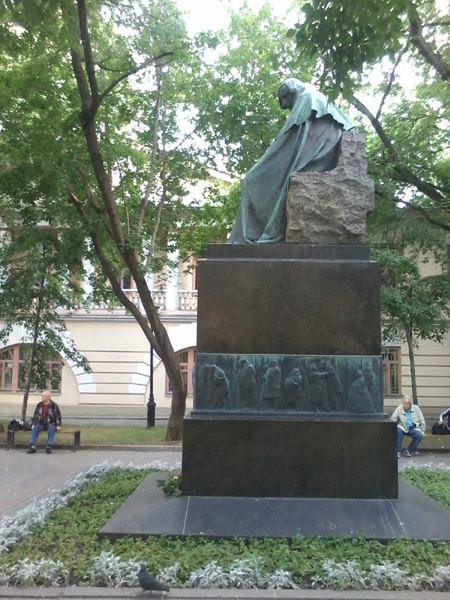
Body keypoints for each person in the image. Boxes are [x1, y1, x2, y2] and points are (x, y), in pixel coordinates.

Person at [227, 77, 354, 244]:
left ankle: (250, 234)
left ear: (292, 90)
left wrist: (258, 170)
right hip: (320, 158)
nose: (287, 105)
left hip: (313, 158)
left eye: (286, 99)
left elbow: (284, 144)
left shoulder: (306, 98)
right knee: (254, 178)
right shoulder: (315, 99)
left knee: (251, 179)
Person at [27, 390, 62, 454]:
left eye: (44, 396)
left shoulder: (54, 405)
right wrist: (33, 424)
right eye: (42, 396)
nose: (42, 397)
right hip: (41, 423)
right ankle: (32, 446)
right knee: (35, 429)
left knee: (51, 429)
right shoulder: (39, 405)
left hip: (50, 423)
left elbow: (58, 416)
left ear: (48, 397)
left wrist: (58, 425)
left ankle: (48, 446)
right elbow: (35, 415)